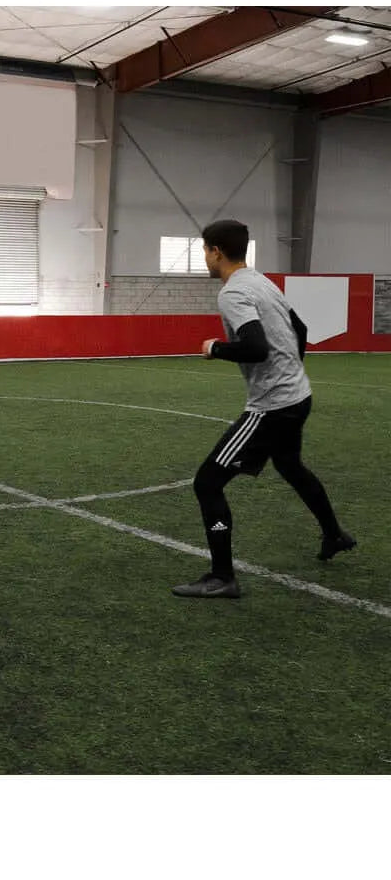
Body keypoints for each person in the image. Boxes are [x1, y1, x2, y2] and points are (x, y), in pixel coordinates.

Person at [171, 219, 356, 599]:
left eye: (204, 250)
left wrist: (215, 348)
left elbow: (257, 348)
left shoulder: (234, 292)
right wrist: (290, 374)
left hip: (272, 406)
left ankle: (222, 577)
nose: (205, 257)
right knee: (290, 466)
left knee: (207, 483)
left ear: (216, 251)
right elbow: (300, 329)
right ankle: (334, 534)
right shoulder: (261, 280)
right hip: (297, 396)